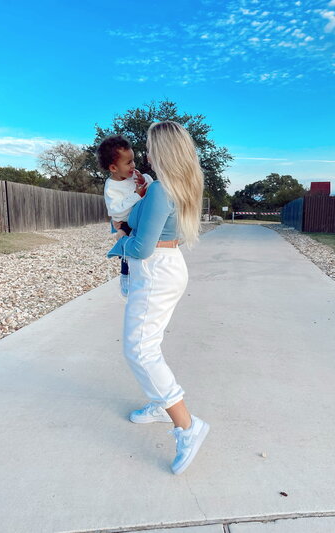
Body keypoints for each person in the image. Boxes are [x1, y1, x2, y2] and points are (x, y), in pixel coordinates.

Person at [107, 121, 210, 475]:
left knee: (138, 348)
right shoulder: (176, 186)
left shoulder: (161, 191)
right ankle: (158, 402)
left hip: (155, 271)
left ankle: (187, 426)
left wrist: (119, 240)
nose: (146, 155)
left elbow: (140, 245)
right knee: (149, 343)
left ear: (163, 152)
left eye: (150, 148)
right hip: (166, 267)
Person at [96, 135, 153, 297]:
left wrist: (145, 180)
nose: (133, 165)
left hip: (140, 219)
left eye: (133, 160)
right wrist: (136, 194)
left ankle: (144, 275)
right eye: (128, 162)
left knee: (144, 249)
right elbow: (116, 211)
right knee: (127, 252)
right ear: (114, 168)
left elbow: (149, 185)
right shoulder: (111, 187)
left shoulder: (133, 175)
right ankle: (125, 276)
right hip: (125, 223)